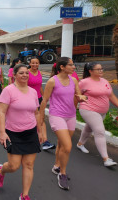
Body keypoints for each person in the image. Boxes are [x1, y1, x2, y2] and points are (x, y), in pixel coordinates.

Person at [0, 64, 44, 200]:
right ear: (14, 75)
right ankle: (1, 170)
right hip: (13, 133)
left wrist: (40, 131)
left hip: (31, 132)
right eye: (21, 73)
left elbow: (37, 113)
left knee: (29, 164)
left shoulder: (33, 92)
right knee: (14, 166)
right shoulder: (9, 91)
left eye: (27, 73)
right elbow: (2, 112)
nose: (25, 75)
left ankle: (25, 195)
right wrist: (2, 132)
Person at [39, 57, 87, 190]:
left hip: (70, 115)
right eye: (71, 65)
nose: (73, 67)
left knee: (61, 144)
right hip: (57, 116)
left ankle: (56, 166)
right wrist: (41, 117)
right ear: (62, 67)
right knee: (67, 146)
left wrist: (83, 98)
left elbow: (78, 96)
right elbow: (45, 100)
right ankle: (62, 173)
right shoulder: (52, 81)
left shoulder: (74, 80)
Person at [76, 62, 118, 166]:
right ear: (91, 71)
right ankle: (106, 159)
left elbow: (111, 96)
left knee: (89, 128)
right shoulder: (84, 82)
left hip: (102, 112)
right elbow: (77, 95)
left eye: (101, 69)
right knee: (100, 131)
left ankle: (80, 144)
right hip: (89, 109)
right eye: (98, 69)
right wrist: (81, 100)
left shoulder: (105, 81)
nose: (101, 70)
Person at [28, 58, 56, 150]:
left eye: (36, 63)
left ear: (39, 64)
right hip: (28, 99)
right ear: (30, 63)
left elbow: (39, 86)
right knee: (30, 120)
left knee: (41, 119)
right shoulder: (26, 73)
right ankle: (30, 139)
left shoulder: (39, 73)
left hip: (39, 99)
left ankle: (45, 141)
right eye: (33, 63)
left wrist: (44, 97)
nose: (35, 64)